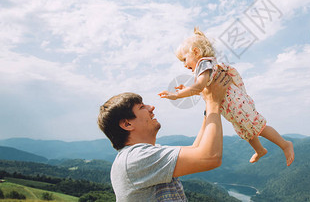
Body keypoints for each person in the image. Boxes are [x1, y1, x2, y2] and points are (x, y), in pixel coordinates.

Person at [158, 27, 295, 166]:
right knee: (245, 129)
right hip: (232, 108)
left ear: (196, 52)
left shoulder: (204, 64)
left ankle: (285, 144)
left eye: (184, 59)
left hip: (237, 104)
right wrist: (187, 88)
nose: (184, 64)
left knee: (257, 125)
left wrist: (177, 95)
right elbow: (205, 88)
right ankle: (260, 150)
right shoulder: (204, 66)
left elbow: (199, 87)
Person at [98, 70, 230, 201]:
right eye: (142, 107)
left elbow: (197, 149)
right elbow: (210, 157)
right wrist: (214, 102)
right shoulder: (135, 158)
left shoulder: (142, 154)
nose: (152, 107)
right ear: (127, 124)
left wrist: (209, 104)